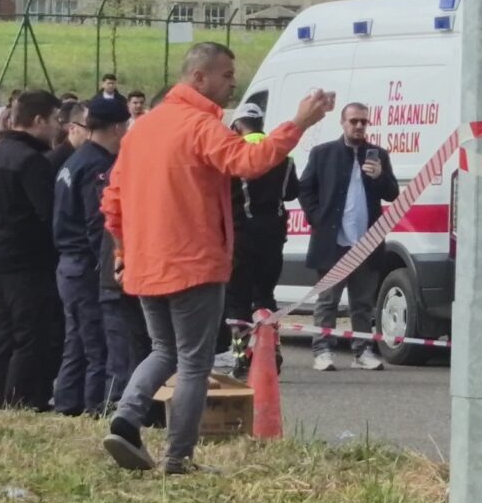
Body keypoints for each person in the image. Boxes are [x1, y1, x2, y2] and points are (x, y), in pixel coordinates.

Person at [102, 44, 331, 474]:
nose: (233, 84)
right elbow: (248, 160)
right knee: (193, 361)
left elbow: (111, 202)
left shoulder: (141, 131)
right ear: (199, 78)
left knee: (163, 350)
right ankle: (178, 456)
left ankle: (126, 418)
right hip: (193, 262)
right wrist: (299, 122)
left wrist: (122, 252)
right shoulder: (200, 126)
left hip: (145, 263)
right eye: (227, 75)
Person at [0, 91, 68, 410]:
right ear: (38, 120)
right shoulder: (31, 161)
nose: (59, 127)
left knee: (3, 336)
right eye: (56, 120)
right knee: (30, 334)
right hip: (28, 260)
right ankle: (22, 401)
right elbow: (49, 214)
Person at [296, 103, 398, 370]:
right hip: (333, 242)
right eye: (354, 121)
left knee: (363, 304)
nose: (359, 126)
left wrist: (379, 176)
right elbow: (304, 188)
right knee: (328, 300)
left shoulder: (378, 156)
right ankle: (322, 350)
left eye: (364, 121)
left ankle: (362, 351)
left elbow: (392, 193)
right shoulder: (323, 154)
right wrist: (317, 218)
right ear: (342, 123)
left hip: (366, 243)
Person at [51, 97, 128, 415]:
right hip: (86, 265)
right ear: (117, 127)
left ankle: (68, 404)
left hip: (68, 264)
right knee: (97, 345)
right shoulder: (98, 165)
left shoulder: (75, 159)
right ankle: (95, 408)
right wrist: (112, 264)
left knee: (77, 343)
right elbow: (99, 224)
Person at [220, 103, 294, 363]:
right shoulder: (282, 156)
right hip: (273, 236)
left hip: (241, 236)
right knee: (265, 295)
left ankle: (240, 355)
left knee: (238, 298)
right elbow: (291, 191)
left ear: (238, 125)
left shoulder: (235, 153)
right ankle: (271, 348)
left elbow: (224, 195)